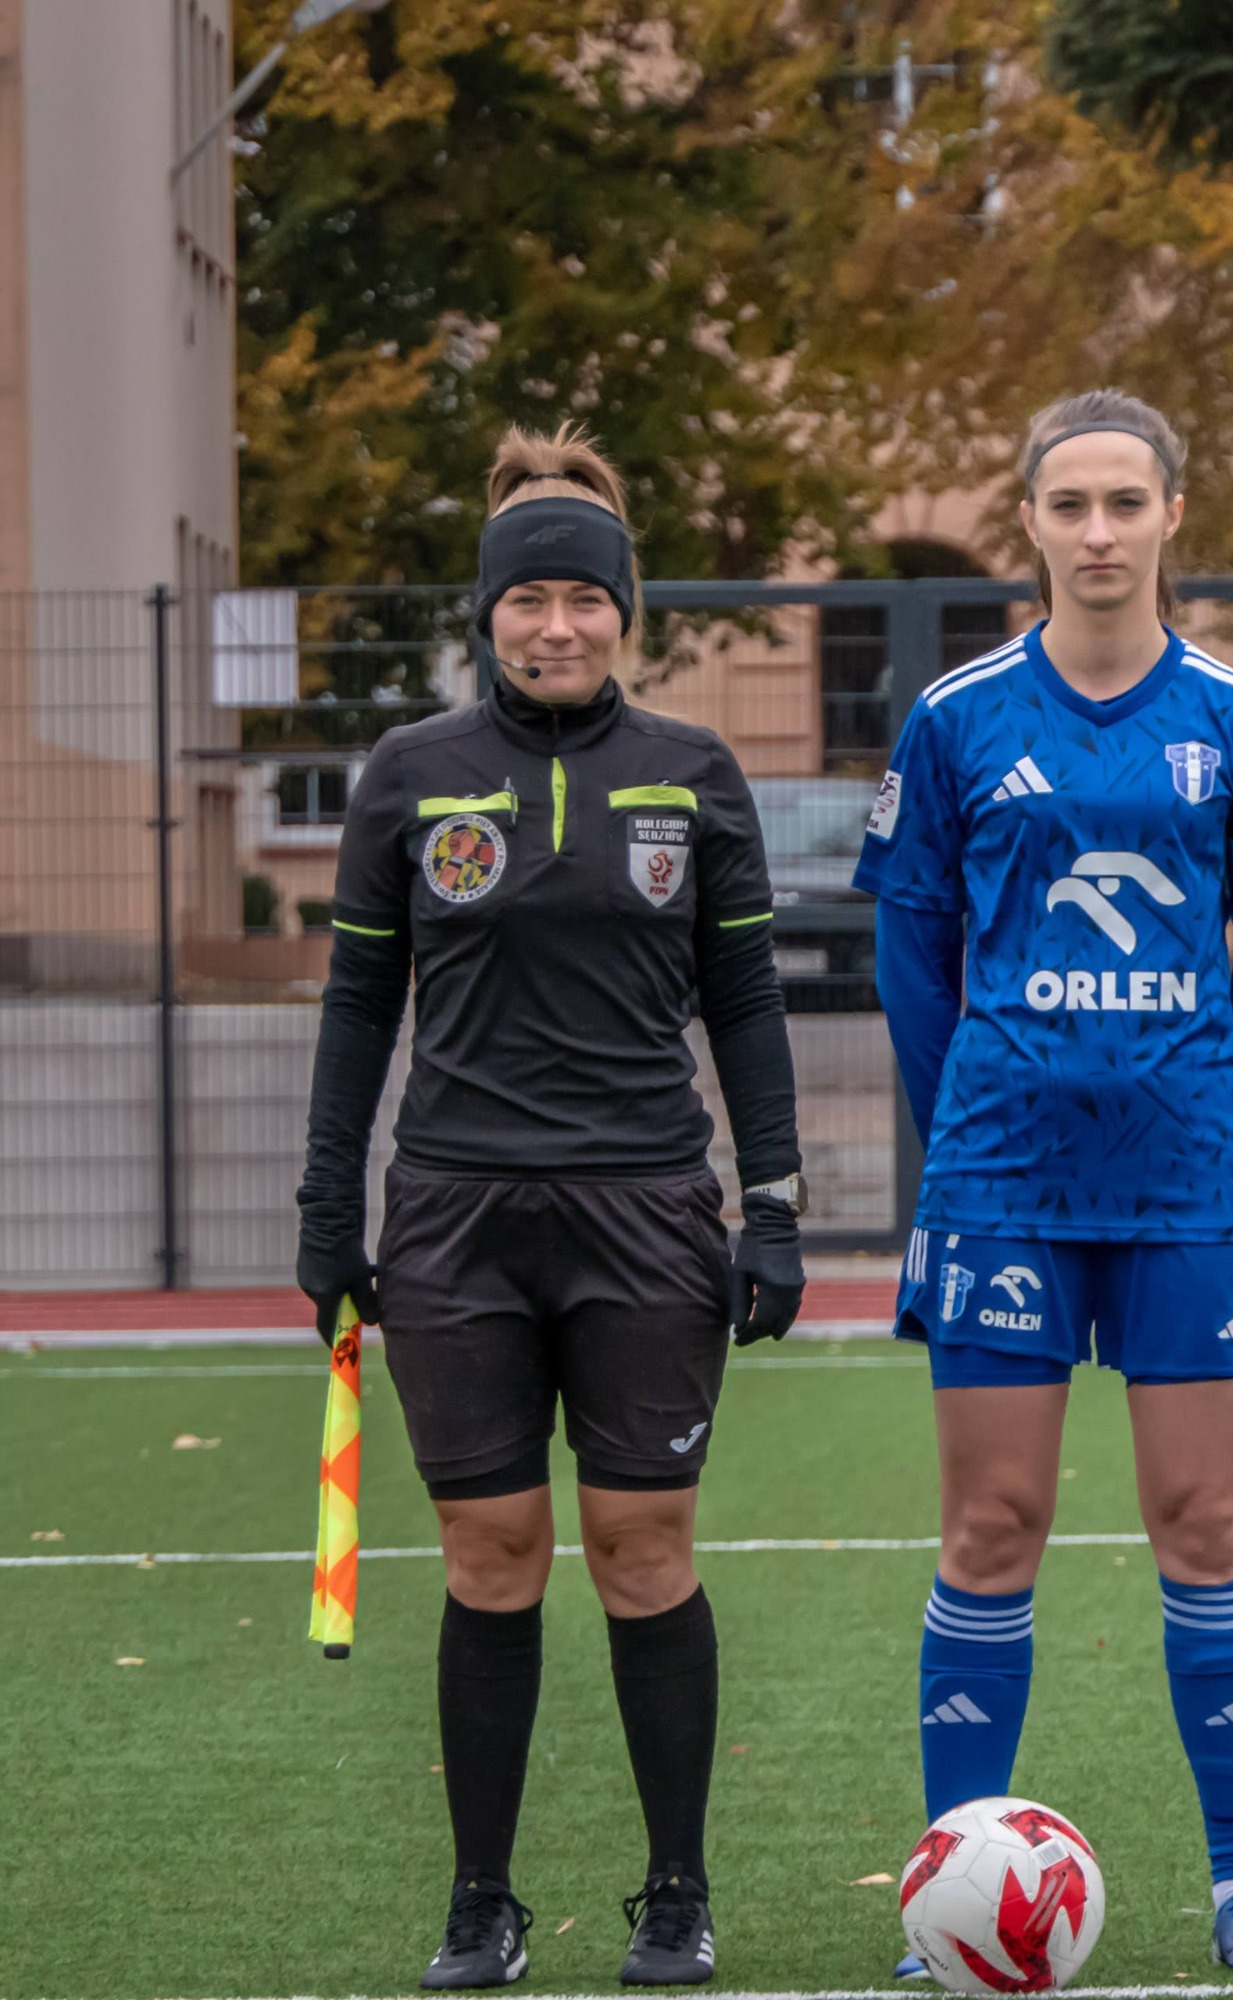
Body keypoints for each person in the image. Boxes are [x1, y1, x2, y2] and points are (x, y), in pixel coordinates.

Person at [297, 424, 808, 1990]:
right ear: (489, 613)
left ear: (625, 611)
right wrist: (326, 1209)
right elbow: (358, 1008)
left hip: (646, 1208)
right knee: (491, 1550)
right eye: (529, 599)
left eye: (587, 598)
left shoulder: (694, 775)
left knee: (643, 1547)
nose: (559, 624)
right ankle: (483, 1903)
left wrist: (775, 1204)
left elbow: (745, 1003)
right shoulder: (411, 775)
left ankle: (676, 1894)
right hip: (454, 1214)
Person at [854, 390, 1233, 1973]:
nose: (1100, 531)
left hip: (1192, 1186)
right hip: (1002, 1181)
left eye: (1127, 502)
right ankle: (950, 1889)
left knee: (1206, 1520)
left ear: (1172, 514)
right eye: (1071, 505)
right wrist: (975, 1119)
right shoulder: (956, 719)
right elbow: (912, 956)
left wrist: (1210, 1109)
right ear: (1031, 524)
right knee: (994, 1525)